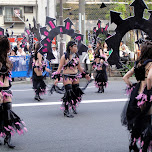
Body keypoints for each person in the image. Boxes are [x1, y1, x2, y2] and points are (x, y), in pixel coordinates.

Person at [122, 41, 152, 152]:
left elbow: (125, 77)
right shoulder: (151, 64)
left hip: (137, 95)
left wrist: (132, 87)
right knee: (148, 121)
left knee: (139, 121)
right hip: (146, 96)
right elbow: (149, 78)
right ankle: (144, 147)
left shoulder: (138, 64)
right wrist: (149, 90)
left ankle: (133, 143)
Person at [0, 36, 27, 148]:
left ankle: (7, 138)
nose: (11, 47)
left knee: (8, 113)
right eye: (9, 45)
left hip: (7, 90)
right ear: (5, 47)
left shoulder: (6, 59)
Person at [52, 41, 90, 118]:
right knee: (68, 93)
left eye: (76, 46)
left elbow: (80, 68)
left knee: (76, 92)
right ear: (70, 47)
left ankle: (73, 106)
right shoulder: (64, 57)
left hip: (75, 76)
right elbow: (59, 69)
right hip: (67, 76)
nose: (76, 48)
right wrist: (56, 79)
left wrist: (85, 74)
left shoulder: (76, 56)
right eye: (74, 46)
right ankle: (66, 110)